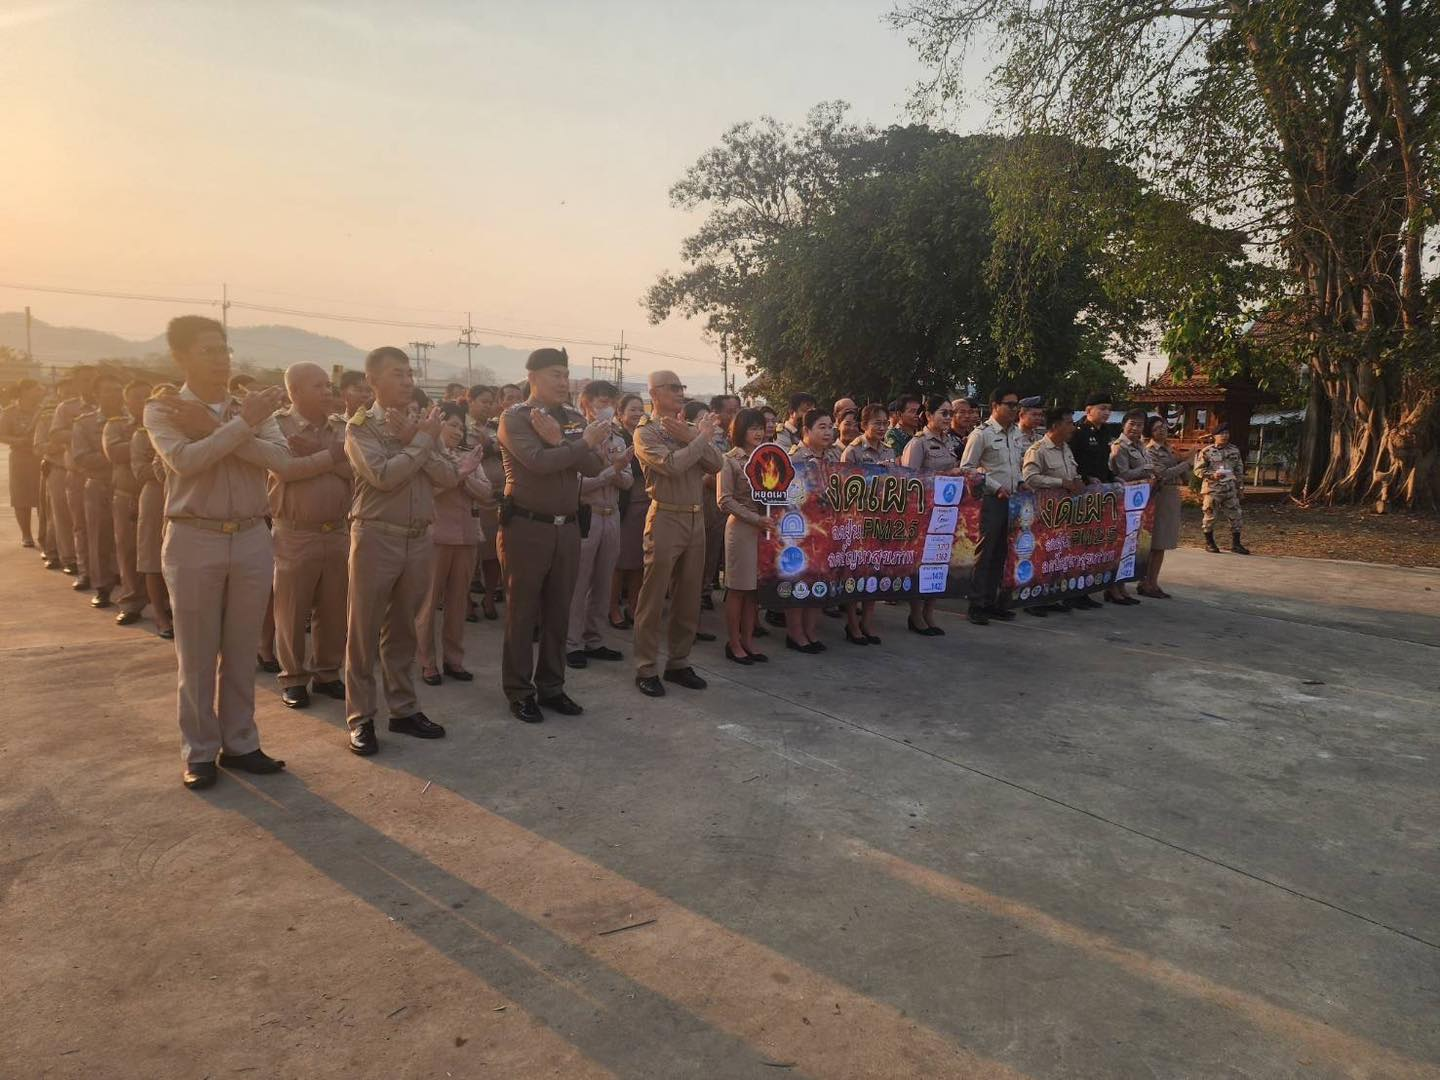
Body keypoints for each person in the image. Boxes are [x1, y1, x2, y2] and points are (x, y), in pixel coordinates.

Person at [145, 315, 304, 790]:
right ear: (180, 357)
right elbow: (185, 461)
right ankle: (198, 752)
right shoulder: (165, 409)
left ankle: (240, 742)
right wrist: (240, 427)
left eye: (224, 349)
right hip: (195, 536)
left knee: (240, 649)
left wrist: (223, 427)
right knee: (196, 654)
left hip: (252, 534)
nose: (221, 359)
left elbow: (283, 462)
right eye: (208, 350)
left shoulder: (249, 407)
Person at [344, 346, 457, 755]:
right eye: (397, 374)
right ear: (372, 380)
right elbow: (383, 476)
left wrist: (418, 439)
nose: (408, 381)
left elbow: (449, 476)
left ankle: (404, 709)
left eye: (410, 374)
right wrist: (421, 443)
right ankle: (361, 717)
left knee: (404, 630)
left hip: (418, 537)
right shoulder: (361, 427)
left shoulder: (419, 424)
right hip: (376, 536)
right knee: (363, 631)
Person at [497, 348, 608, 721]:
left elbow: (592, 465)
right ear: (532, 377)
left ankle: (552, 686)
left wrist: (563, 441)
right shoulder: (515, 418)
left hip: (568, 527)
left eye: (565, 374)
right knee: (522, 613)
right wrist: (577, 444)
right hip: (527, 527)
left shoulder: (572, 418)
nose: (563, 382)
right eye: (554, 375)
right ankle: (519, 690)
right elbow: (538, 463)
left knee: (559, 612)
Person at [632, 370, 723, 696]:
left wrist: (693, 436)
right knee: (654, 597)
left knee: (688, 596)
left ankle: (679, 662)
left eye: (680, 387)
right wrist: (698, 438)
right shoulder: (645, 432)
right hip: (666, 516)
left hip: (695, 517)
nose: (679, 392)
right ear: (654, 393)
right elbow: (671, 466)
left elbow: (717, 464)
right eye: (671, 388)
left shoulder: (687, 429)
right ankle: (646, 667)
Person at [268, 362, 353, 709]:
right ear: (294, 391)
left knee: (334, 608)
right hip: (295, 532)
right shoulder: (277, 426)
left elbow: (356, 470)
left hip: (337, 530)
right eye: (317, 386)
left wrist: (315, 454)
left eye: (328, 385)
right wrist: (331, 456)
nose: (327, 391)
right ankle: (293, 677)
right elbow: (285, 471)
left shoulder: (342, 427)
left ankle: (327, 673)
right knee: (291, 609)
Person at [417, 403, 491, 685]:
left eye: (462, 427)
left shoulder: (468, 456)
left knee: (458, 603)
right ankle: (427, 662)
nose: (458, 432)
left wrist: (463, 475)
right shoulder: (427, 455)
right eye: (452, 425)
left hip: (467, 536)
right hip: (436, 537)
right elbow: (428, 490)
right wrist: (460, 473)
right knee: (428, 603)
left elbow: (485, 492)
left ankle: (453, 659)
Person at [566, 380, 633, 669]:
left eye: (610, 402)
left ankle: (594, 638)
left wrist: (614, 470)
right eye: (601, 402)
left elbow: (628, 481)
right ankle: (572, 643)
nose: (607, 407)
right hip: (587, 514)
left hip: (611, 514)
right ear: (586, 404)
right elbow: (578, 486)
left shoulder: (618, 439)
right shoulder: (577, 439)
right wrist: (611, 470)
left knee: (604, 582)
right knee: (579, 582)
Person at [901, 396, 967, 635]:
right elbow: (909, 481)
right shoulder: (918, 443)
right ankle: (916, 615)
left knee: (939, 562)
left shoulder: (950, 441)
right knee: (921, 564)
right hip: (924, 513)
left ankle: (930, 612)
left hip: (946, 513)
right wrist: (947, 475)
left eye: (950, 413)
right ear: (928, 416)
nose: (948, 418)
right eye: (943, 413)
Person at [959, 387, 1025, 625]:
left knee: (1002, 553)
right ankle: (976, 604)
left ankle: (991, 602)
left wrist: (1021, 482)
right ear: (995, 406)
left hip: (1013, 500)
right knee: (986, 553)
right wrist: (995, 486)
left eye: (1016, 405)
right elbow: (967, 468)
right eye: (1010, 404)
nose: (1014, 409)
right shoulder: (982, 434)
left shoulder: (1015, 433)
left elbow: (1015, 465)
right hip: (991, 500)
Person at [717, 408, 774, 664]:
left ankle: (749, 641)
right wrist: (755, 518)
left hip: (765, 528)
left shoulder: (769, 457)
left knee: (754, 591)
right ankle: (734, 642)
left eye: (760, 427)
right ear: (740, 430)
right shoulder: (729, 460)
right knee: (738, 589)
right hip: (741, 528)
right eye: (752, 428)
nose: (758, 432)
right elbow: (724, 500)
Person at [1023, 409, 1095, 611]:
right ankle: (1033, 600)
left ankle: (1051, 597)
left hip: (1065, 513)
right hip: (1044, 513)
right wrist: (1060, 482)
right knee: (1040, 555)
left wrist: (1077, 480)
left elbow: (1072, 473)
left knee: (1058, 556)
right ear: (1055, 426)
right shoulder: (1038, 450)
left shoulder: (1066, 449)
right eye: (1069, 423)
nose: (1073, 427)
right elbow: (1030, 478)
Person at [1071, 392, 1137, 606]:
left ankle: (1086, 590)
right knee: (1080, 544)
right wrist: (1085, 478)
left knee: (1094, 544)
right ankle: (1074, 593)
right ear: (1088, 410)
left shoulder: (1105, 432)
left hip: (1100, 496)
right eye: (1102, 408)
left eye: (1109, 408)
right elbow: (1072, 463)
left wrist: (1112, 477)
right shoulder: (1078, 432)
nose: (1106, 412)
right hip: (1081, 495)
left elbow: (1102, 463)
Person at [785, 409, 842, 652]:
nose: (828, 432)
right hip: (801, 528)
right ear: (806, 430)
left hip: (826, 528)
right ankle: (795, 633)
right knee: (799, 581)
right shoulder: (795, 458)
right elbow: (789, 497)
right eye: (822, 427)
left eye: (830, 427)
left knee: (819, 580)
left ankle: (811, 631)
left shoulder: (834, 456)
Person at [72, 372, 128, 609]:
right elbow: (81, 457)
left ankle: (132, 587)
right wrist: (114, 454)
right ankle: (102, 586)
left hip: (127, 487)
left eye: (118, 390)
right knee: (98, 537)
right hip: (99, 484)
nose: (116, 395)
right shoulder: (84, 423)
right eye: (109, 391)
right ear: (96, 394)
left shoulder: (134, 419)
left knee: (128, 541)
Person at [839, 402, 893, 644]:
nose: (882, 428)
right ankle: (852, 624)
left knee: (874, 572)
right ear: (863, 425)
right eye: (877, 423)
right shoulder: (852, 452)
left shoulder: (889, 451)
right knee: (854, 574)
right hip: (857, 520)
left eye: (885, 423)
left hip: (881, 519)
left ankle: (868, 623)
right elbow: (843, 487)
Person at [101, 379, 153, 626]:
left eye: (148, 396)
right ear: (127, 402)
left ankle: (164, 603)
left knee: (161, 553)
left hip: (160, 496)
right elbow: (114, 453)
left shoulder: (169, 424)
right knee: (129, 551)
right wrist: (143, 438)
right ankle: (132, 602)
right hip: (128, 496)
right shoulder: (116, 425)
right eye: (137, 397)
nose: (143, 402)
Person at [132, 386, 175, 638]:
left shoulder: (189, 430)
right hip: (155, 497)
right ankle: (160, 615)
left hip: (182, 498)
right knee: (152, 558)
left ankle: (173, 609)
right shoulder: (143, 434)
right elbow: (140, 471)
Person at [464, 383, 505, 619]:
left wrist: (491, 446)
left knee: (492, 553)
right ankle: (465, 600)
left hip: (495, 498)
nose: (488, 406)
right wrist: (490, 447)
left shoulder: (495, 427)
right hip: (470, 496)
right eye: (483, 402)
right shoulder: (461, 425)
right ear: (470, 401)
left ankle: (489, 597)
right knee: (469, 554)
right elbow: (468, 452)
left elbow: (505, 449)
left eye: (491, 402)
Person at [610, 392, 649, 629]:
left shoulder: (646, 435)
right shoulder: (616, 438)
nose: (637, 413)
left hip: (647, 504)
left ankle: (634, 607)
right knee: (620, 562)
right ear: (620, 413)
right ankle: (612, 608)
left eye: (640, 409)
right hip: (626, 504)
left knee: (640, 561)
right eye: (632, 409)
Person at [51, 373, 94, 590]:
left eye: (92, 379)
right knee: (81, 526)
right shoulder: (66, 408)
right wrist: (81, 432)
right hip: (78, 473)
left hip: (105, 475)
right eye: (84, 379)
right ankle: (85, 571)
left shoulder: (112, 404)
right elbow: (56, 435)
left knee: (109, 527)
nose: (88, 383)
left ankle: (111, 571)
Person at [1141, 415, 1191, 597]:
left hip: (1171, 495)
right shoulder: (1150, 450)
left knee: (1162, 543)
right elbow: (1162, 474)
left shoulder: (1170, 449)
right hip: (1159, 495)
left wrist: (1183, 463)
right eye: (1156, 428)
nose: (1161, 430)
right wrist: (1186, 463)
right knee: (1155, 543)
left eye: (1163, 427)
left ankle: (1153, 582)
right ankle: (1146, 583)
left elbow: (1184, 476)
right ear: (1150, 432)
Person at [0, 378, 45, 548]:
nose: (40, 392)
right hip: (20, 459)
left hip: (41, 458)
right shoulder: (9, 412)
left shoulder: (44, 411)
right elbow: (1, 434)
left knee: (43, 498)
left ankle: (44, 534)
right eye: (37, 389)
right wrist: (17, 441)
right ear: (25, 391)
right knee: (21, 498)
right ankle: (26, 535)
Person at [1196, 425, 1249, 554]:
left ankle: (1236, 544)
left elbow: (1239, 469)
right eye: (1221, 433)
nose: (1224, 436)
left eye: (1226, 433)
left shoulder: (1234, 450)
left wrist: (1240, 487)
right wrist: (1212, 475)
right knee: (1210, 516)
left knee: (1236, 516)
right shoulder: (1207, 451)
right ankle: (1210, 543)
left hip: (1230, 489)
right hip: (1212, 489)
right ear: (1214, 436)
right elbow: (1198, 470)